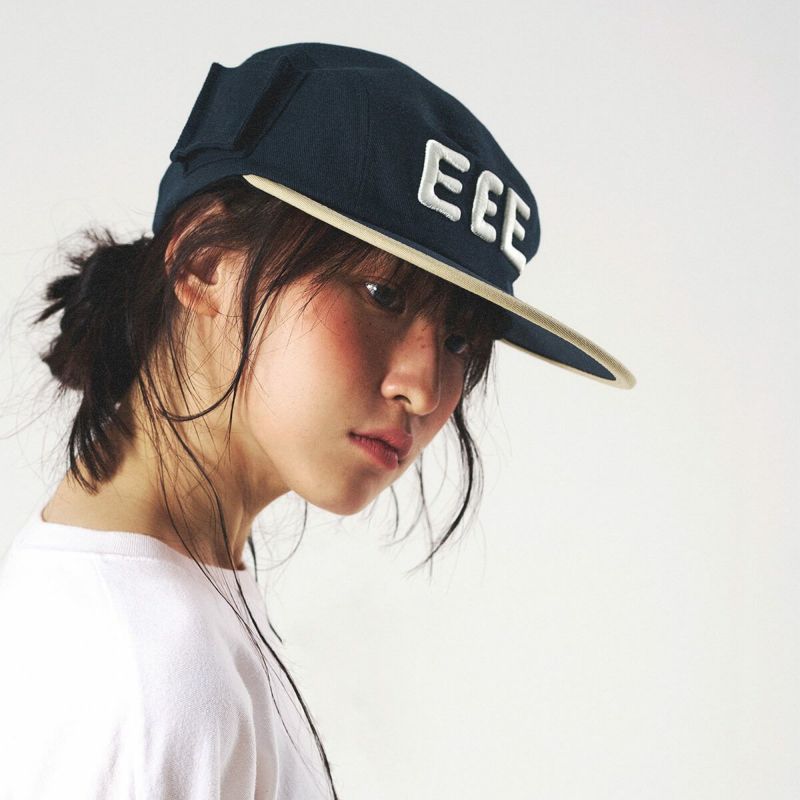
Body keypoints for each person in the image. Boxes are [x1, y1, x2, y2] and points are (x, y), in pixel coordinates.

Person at [0, 42, 635, 800]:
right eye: (382, 294)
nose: (424, 387)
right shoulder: (147, 671)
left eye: (462, 339)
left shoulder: (159, 607)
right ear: (205, 261)